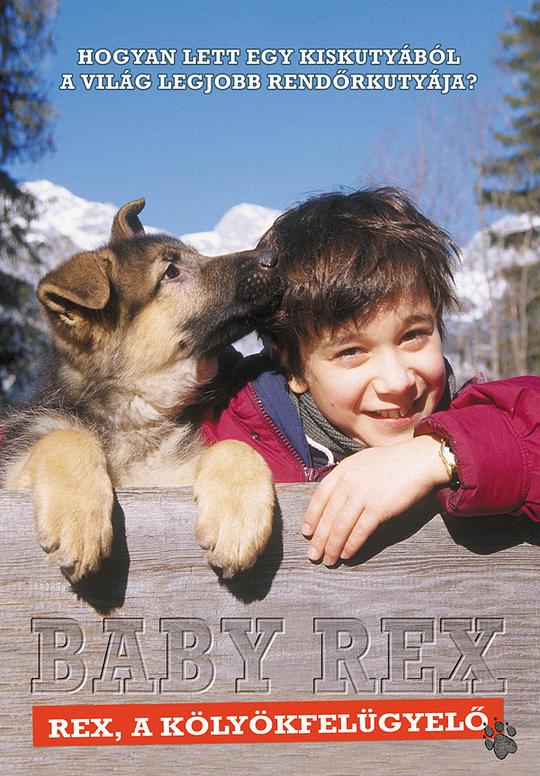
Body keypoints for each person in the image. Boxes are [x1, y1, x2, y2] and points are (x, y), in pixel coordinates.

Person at [202, 188, 540, 566]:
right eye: (351, 352)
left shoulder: (478, 414)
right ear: (293, 368)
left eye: (414, 336)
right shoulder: (224, 427)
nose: (397, 382)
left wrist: (438, 455)